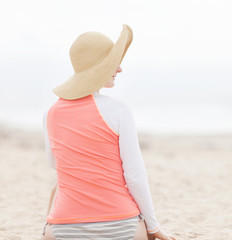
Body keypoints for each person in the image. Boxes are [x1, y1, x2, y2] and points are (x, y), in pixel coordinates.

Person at [41, 24, 176, 240]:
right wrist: (154, 227)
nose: (120, 68)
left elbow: (56, 164)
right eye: (113, 62)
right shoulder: (119, 110)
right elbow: (135, 176)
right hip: (122, 226)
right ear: (99, 66)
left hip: (63, 229)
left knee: (57, 187)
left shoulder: (50, 114)